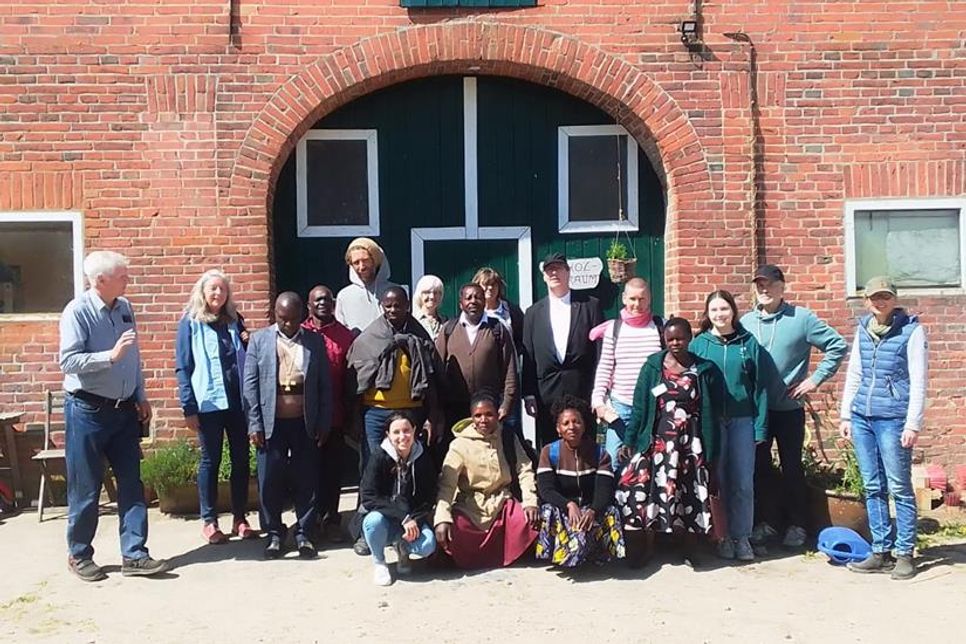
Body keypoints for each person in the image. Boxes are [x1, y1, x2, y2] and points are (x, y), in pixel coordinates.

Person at [59, 250, 168, 581]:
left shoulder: (125, 307)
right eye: (122, 276)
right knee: (86, 487)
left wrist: (140, 394)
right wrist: (110, 355)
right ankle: (79, 554)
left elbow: (133, 356)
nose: (128, 281)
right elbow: (68, 362)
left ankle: (134, 554)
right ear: (100, 281)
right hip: (87, 410)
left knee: (132, 484)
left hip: (124, 411)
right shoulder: (77, 312)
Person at [740, 264, 847, 548]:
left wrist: (814, 380)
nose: (764, 290)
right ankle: (766, 522)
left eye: (770, 285)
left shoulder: (801, 319)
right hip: (758, 411)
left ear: (781, 287)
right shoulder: (747, 322)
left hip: (788, 409)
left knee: (792, 467)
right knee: (760, 468)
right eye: (759, 285)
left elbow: (837, 345)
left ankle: (798, 525)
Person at [839, 277, 927, 581]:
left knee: (899, 486)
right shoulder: (863, 329)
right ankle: (880, 550)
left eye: (886, 297)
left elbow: (918, 380)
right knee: (872, 485)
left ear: (894, 299)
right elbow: (855, 373)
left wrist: (912, 422)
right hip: (862, 415)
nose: (880, 302)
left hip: (893, 418)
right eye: (875, 297)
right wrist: (846, 416)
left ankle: (905, 553)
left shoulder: (911, 331)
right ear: (866, 301)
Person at [616, 317, 721, 568]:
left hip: (691, 443)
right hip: (659, 442)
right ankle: (649, 547)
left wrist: (712, 450)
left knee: (690, 493)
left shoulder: (704, 369)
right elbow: (640, 406)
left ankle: (690, 549)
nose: (675, 343)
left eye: (681, 338)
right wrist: (630, 440)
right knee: (653, 491)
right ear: (664, 338)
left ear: (690, 338)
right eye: (670, 338)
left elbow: (712, 412)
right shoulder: (653, 366)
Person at [346, 286, 443, 555]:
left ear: (407, 306)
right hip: (376, 414)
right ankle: (367, 531)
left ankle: (411, 524)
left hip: (412, 413)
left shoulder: (419, 335)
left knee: (410, 470)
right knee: (372, 469)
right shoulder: (369, 338)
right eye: (387, 306)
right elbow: (357, 379)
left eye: (397, 305)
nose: (392, 310)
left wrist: (433, 414)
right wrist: (355, 418)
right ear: (382, 307)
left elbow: (432, 377)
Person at [243, 292, 332, 559]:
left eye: (293, 319)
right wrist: (254, 423)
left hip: (304, 422)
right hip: (272, 423)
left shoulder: (314, 341)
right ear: (275, 315)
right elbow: (250, 385)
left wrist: (324, 421)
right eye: (283, 319)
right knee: (270, 478)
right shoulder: (259, 340)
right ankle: (274, 534)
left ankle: (304, 533)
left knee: (307, 478)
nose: (289, 325)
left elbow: (324, 386)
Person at [175, 269, 256, 545]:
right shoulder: (191, 322)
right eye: (213, 289)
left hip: (238, 402)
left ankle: (240, 517)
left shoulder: (235, 320)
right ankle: (209, 521)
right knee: (211, 461)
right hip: (208, 402)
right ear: (202, 292)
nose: (218, 294)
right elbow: (183, 367)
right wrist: (189, 406)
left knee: (241, 460)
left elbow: (249, 354)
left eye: (222, 290)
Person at [690, 290, 769, 562]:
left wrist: (760, 427)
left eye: (724, 309)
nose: (719, 315)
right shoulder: (699, 345)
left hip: (742, 420)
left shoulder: (748, 343)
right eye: (714, 310)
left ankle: (742, 536)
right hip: (711, 423)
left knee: (743, 482)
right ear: (707, 314)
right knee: (718, 481)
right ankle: (722, 537)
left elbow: (760, 388)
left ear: (733, 311)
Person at [434, 393, 539, 569]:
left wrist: (530, 502)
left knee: (529, 520)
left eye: (489, 414)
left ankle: (511, 555)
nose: (483, 420)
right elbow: (447, 484)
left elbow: (525, 470)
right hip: (471, 505)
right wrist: (442, 517)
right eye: (478, 415)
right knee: (454, 529)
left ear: (497, 414)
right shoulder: (459, 444)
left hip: (502, 502)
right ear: (472, 417)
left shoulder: (507, 437)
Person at [522, 252, 603, 447]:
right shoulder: (533, 313)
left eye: (558, 268)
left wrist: (600, 391)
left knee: (586, 446)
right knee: (550, 449)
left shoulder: (590, 306)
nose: (553, 273)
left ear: (568, 272)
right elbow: (528, 356)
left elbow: (600, 352)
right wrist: (529, 394)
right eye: (549, 270)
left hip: (582, 390)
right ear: (543, 276)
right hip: (546, 395)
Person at [535, 395, 624, 568]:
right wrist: (568, 505)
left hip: (589, 508)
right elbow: (546, 490)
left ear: (584, 426)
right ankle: (561, 553)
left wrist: (592, 510)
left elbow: (604, 490)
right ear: (558, 429)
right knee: (547, 510)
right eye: (566, 423)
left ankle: (597, 553)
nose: (571, 427)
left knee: (611, 511)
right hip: (564, 509)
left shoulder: (600, 454)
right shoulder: (549, 452)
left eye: (576, 422)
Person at [590, 277, 664, 471]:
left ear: (649, 299)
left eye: (641, 299)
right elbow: (605, 366)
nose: (636, 304)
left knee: (649, 460)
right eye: (632, 299)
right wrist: (598, 400)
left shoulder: (660, 327)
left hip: (652, 406)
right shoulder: (614, 329)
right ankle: (614, 501)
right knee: (614, 461)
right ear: (624, 298)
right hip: (620, 406)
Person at [356, 412, 437, 586]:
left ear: (414, 431)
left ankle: (403, 549)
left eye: (406, 431)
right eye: (396, 432)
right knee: (373, 521)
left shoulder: (422, 457)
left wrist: (415, 520)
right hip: (386, 519)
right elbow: (369, 496)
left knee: (428, 545)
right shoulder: (379, 456)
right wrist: (403, 517)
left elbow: (429, 497)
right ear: (388, 435)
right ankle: (379, 562)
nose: (402, 437)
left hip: (411, 522)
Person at [301, 284, 355, 543]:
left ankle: (332, 519)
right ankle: (308, 521)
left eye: (327, 299)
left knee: (332, 472)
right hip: (304, 417)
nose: (323, 303)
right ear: (309, 305)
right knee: (307, 471)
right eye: (317, 300)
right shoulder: (298, 333)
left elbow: (351, 377)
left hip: (335, 415)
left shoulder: (346, 336)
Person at [435, 283, 518, 442]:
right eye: (468, 298)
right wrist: (438, 409)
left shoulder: (497, 329)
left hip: (489, 408)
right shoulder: (448, 329)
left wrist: (506, 403)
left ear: (484, 302)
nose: (473, 301)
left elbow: (510, 368)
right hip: (455, 407)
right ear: (461, 304)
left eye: (478, 297)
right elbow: (437, 370)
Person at [335, 237, 397, 335]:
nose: (361, 267)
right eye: (356, 263)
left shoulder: (395, 292)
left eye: (365, 260)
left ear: (375, 261)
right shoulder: (344, 296)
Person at [472, 266, 524, 354]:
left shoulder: (512, 311)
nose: (490, 288)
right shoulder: (472, 312)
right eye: (486, 284)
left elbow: (522, 339)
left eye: (493, 284)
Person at [412, 274, 447, 340]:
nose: (432, 296)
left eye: (436, 292)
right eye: (427, 292)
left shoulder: (446, 322)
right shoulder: (412, 320)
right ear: (419, 295)